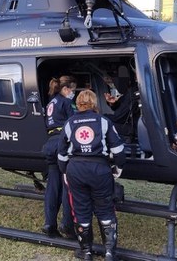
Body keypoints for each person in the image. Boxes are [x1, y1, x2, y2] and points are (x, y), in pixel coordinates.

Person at [58, 90, 126, 261]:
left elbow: (61, 153)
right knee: (105, 210)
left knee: (81, 211)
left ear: (78, 103)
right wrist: (118, 167)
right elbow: (118, 149)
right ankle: (110, 254)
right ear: (94, 103)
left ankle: (86, 252)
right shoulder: (104, 121)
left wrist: (65, 171)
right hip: (100, 170)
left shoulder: (69, 123)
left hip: (76, 170)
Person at [42, 75, 77, 238]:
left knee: (52, 186)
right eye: (73, 89)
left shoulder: (51, 102)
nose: (73, 93)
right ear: (65, 89)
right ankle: (67, 225)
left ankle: (49, 223)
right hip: (62, 143)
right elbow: (73, 123)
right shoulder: (66, 102)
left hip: (50, 143)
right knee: (66, 185)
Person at [103, 76, 140, 144]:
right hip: (134, 125)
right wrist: (113, 103)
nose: (111, 86)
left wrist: (101, 117)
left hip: (134, 128)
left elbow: (119, 117)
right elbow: (119, 106)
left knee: (105, 124)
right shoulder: (128, 93)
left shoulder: (132, 93)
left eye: (111, 82)